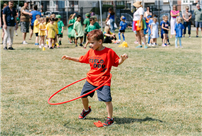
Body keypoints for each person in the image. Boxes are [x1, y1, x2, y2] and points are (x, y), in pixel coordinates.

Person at [61, 29, 128, 127]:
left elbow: (116, 62)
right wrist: (69, 57)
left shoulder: (109, 52)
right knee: (83, 95)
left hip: (103, 80)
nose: (90, 45)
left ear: (100, 41)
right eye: (89, 43)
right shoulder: (90, 52)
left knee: (107, 100)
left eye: (92, 43)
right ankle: (86, 110)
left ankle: (110, 118)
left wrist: (122, 59)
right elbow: (81, 59)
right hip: (91, 79)